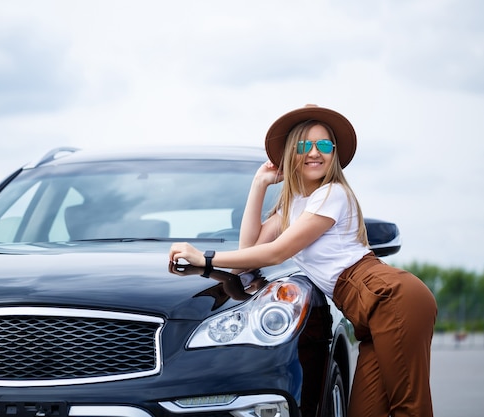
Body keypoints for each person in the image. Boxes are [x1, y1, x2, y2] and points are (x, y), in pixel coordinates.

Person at [169, 105, 438, 417]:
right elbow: (247, 257)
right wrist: (258, 185)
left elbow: (277, 253)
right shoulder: (291, 208)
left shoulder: (333, 194)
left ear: (334, 154)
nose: (314, 152)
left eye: (323, 145)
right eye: (303, 145)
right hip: (367, 313)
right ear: (291, 154)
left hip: (392, 297)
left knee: (409, 408)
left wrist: (204, 259)